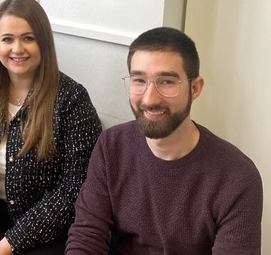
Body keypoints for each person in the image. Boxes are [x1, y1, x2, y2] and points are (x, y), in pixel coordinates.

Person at [66, 26, 264, 254]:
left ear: (195, 88)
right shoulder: (111, 146)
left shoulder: (236, 178)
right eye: (139, 80)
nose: (150, 99)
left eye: (167, 82)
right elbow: (87, 237)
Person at [0, 0, 102, 255]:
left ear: (43, 42)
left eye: (28, 38)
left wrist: (11, 243)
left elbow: (75, 188)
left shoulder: (72, 100)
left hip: (45, 227)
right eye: (7, 39)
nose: (17, 49)